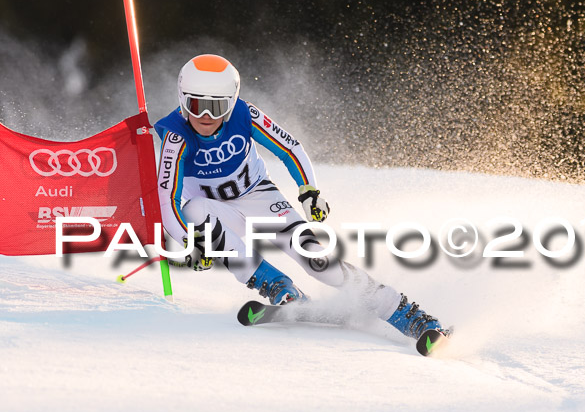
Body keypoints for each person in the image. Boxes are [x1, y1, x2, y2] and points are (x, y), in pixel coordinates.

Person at [155, 54, 450, 340]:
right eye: (196, 105)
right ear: (182, 99)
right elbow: (167, 200)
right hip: (215, 210)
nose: (205, 117)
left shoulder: (245, 115)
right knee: (193, 210)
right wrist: (190, 242)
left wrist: (308, 191)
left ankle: (404, 312)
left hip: (259, 196)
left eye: (216, 107)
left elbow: (289, 148)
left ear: (231, 103)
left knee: (319, 263)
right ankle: (277, 286)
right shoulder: (177, 138)